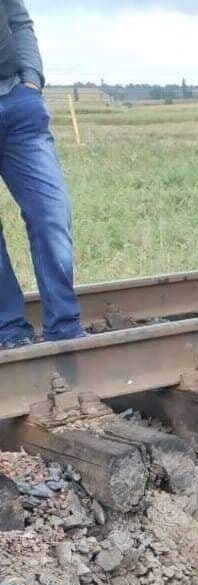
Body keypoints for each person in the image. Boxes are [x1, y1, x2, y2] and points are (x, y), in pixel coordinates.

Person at [0, 0, 83, 348]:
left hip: (18, 102)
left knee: (52, 215)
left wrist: (31, 81)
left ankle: (64, 329)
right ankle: (9, 331)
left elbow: (18, 20)